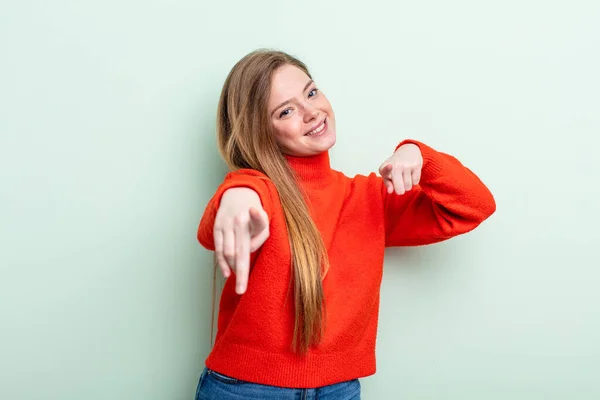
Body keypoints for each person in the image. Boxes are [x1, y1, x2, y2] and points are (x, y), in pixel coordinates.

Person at [194, 49, 496, 400]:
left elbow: (475, 205)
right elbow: (218, 224)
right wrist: (237, 193)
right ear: (261, 132)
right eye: (286, 111)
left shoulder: (369, 198)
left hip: (339, 389)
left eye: (311, 92)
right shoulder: (257, 192)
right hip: (244, 389)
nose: (311, 112)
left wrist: (420, 155)